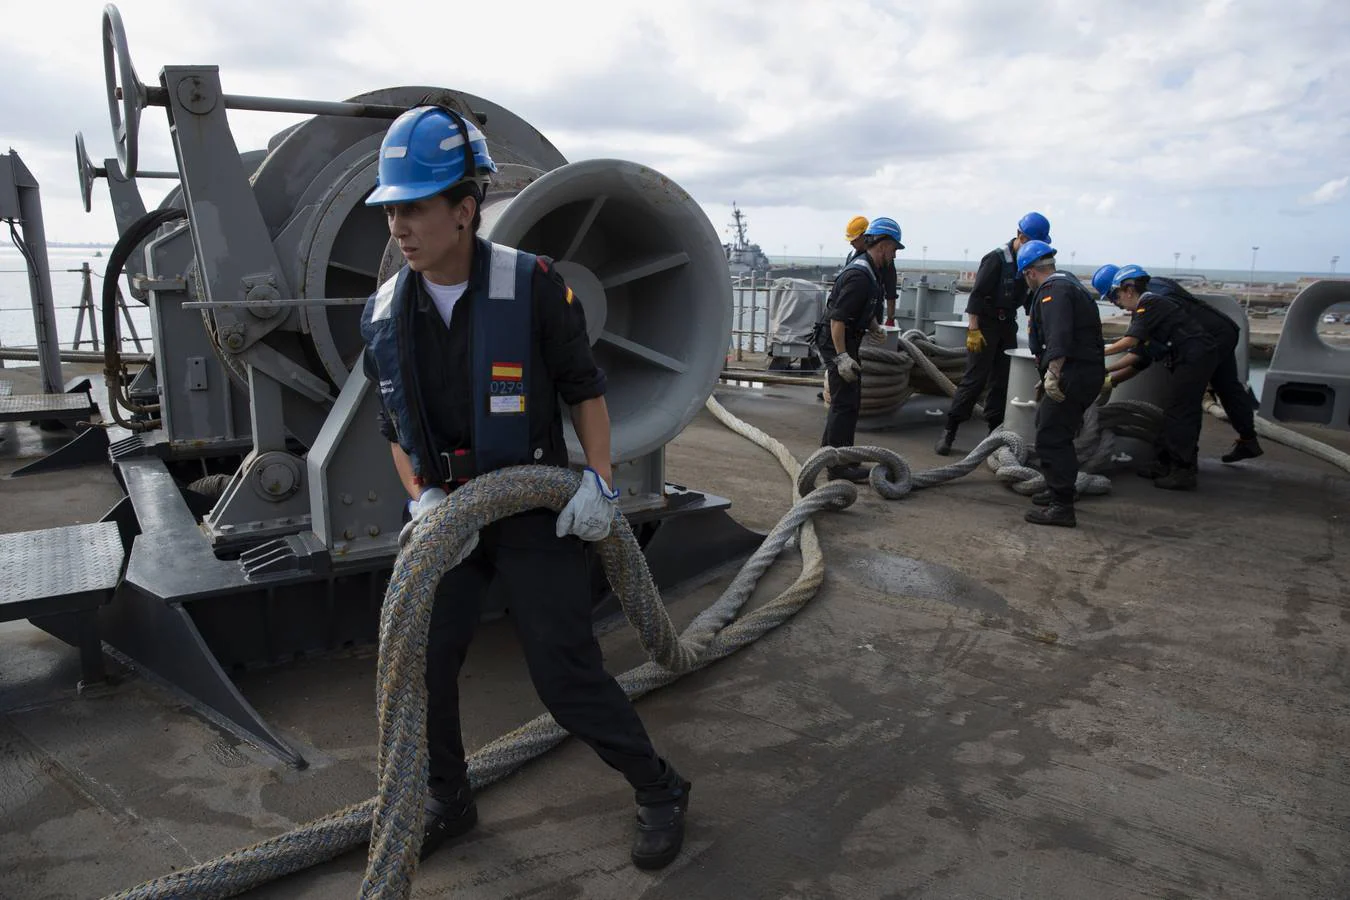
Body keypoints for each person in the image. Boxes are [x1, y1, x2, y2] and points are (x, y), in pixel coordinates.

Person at [358, 105, 689, 870]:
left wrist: (598, 484)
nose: (399, 228)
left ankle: (661, 788)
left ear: (464, 210)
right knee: (425, 666)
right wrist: (425, 500)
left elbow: (584, 388)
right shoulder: (383, 315)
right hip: (450, 518)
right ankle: (450, 796)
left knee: (564, 673)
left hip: (533, 509)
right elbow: (396, 433)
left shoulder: (534, 286)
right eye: (391, 211)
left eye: (414, 208)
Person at [1103, 269, 1263, 465]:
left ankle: (1181, 466)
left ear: (1125, 288)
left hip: (1203, 343)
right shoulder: (1154, 290)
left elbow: (1140, 350)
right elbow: (1144, 352)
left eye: (1114, 297)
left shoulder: (1152, 302)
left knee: (1183, 404)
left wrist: (1101, 359)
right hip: (1215, 334)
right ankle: (1247, 439)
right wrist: (1112, 379)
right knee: (1225, 389)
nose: (1116, 305)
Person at [935, 211, 1050, 455]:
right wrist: (973, 330)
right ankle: (950, 429)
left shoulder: (1028, 263)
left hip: (1007, 324)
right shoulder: (996, 259)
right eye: (1032, 242)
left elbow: (1030, 301)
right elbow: (976, 296)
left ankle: (993, 433)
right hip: (985, 325)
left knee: (1002, 379)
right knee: (975, 378)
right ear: (1020, 235)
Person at [1103, 264, 1220, 490]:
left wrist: (1099, 351)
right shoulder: (1152, 307)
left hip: (1194, 357)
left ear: (1128, 289)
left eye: (1117, 294)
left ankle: (1182, 470)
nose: (1118, 301)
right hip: (1189, 357)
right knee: (1175, 411)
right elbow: (1140, 354)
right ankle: (1166, 463)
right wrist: (1108, 373)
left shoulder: (1149, 303)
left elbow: (1130, 342)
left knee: (1182, 413)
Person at [1021, 240, 1105, 527]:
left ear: (1031, 272)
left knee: (1051, 436)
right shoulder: (1069, 284)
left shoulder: (1052, 291)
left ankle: (1062, 506)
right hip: (1084, 373)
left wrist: (1053, 374)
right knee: (1058, 432)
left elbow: (1059, 336)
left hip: (1072, 373)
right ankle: (1058, 489)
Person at [814, 216, 901, 482]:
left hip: (846, 338)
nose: (894, 254)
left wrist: (873, 326)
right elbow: (838, 319)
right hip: (836, 339)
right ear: (884, 245)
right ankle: (838, 466)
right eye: (895, 248)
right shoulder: (860, 275)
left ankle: (831, 455)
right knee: (845, 402)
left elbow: (861, 308)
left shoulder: (871, 270)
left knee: (848, 401)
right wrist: (841, 357)